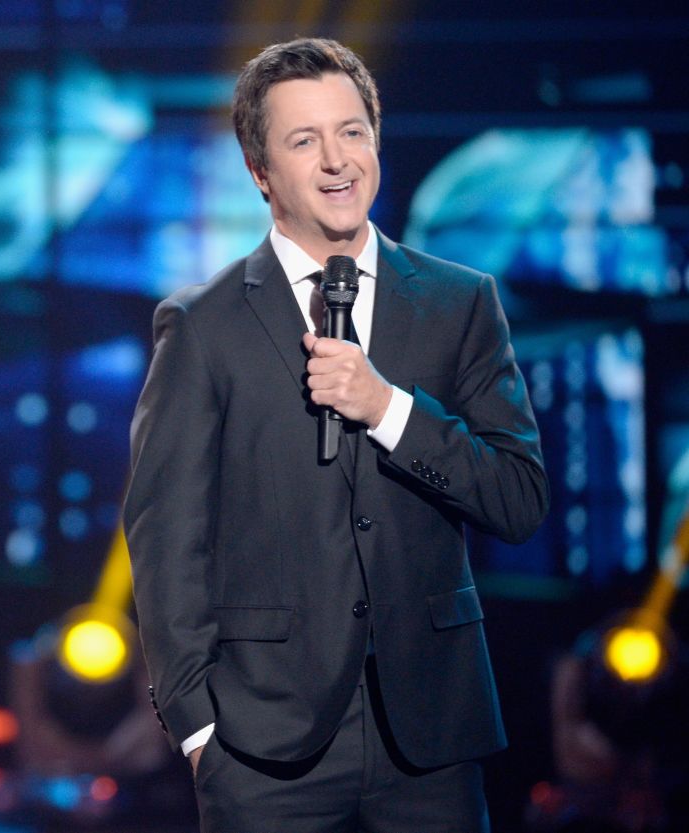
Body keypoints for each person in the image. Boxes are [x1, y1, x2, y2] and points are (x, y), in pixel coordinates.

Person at [124, 37, 548, 831]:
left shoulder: (459, 305)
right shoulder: (204, 325)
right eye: (304, 139)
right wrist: (197, 725)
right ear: (260, 171)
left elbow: (520, 500)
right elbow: (165, 534)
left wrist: (389, 407)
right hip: (260, 743)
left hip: (430, 737)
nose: (336, 161)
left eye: (352, 131)